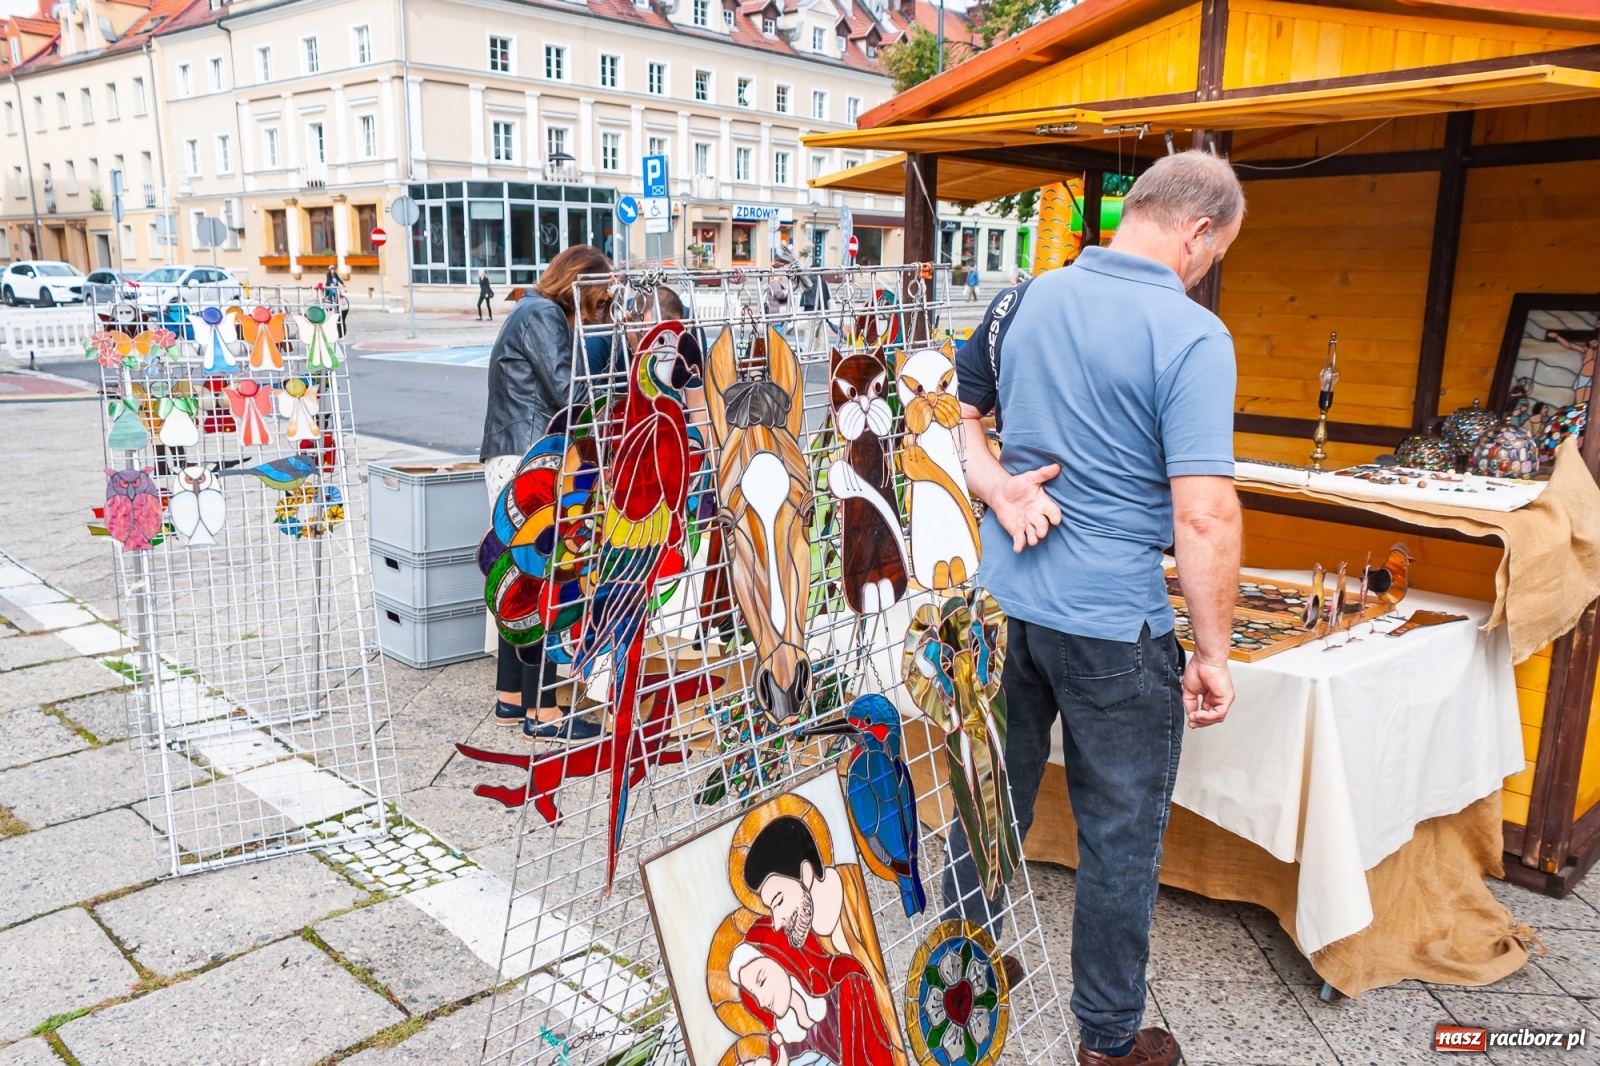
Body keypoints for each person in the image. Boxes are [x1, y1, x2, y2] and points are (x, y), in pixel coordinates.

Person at [945, 151, 1246, 1066]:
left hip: (1005, 608)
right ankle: (1109, 1043)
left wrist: (996, 484)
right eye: (1215, 252)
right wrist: (1215, 652)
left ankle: (957, 984)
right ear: (1195, 232)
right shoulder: (1193, 335)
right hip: (1116, 624)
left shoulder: (1020, 299)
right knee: (1117, 839)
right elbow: (1203, 513)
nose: (1205, 269)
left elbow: (961, 420)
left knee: (987, 801)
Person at [480, 244, 614, 741]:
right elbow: (570, 391)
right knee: (546, 582)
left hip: (514, 453)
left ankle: (512, 700)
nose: (598, 311)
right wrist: (614, 374)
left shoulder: (529, 310)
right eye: (598, 301)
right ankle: (543, 712)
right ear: (578, 284)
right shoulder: (543, 315)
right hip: (529, 459)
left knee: (521, 581)